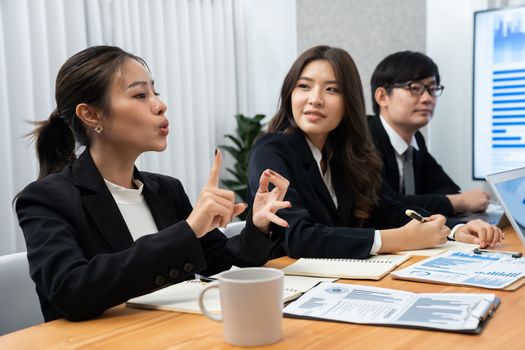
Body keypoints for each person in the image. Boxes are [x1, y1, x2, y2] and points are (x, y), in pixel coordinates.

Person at [15, 46, 291, 322]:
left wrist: (258, 225)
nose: (160, 104)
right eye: (139, 95)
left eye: (155, 92)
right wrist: (189, 229)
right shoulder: (45, 199)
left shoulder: (166, 190)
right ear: (91, 115)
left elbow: (220, 262)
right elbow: (71, 291)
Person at [247, 45, 503, 260]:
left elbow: (384, 207)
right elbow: (298, 237)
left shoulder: (345, 151)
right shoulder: (271, 150)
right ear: (289, 93)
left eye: (331, 89)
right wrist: (395, 239)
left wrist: (452, 229)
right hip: (286, 284)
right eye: (304, 86)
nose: (315, 99)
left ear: (349, 102)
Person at [369, 50, 490, 216]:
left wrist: (453, 200)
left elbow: (446, 188)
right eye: (415, 88)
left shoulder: (415, 139)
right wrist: (461, 201)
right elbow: (384, 204)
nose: (427, 98)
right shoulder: (363, 139)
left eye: (432, 89)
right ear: (383, 97)